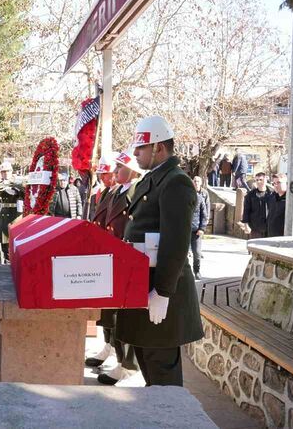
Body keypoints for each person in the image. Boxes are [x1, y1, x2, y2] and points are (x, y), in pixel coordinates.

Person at [116, 116, 204, 386]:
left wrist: (163, 292)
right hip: (145, 286)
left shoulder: (176, 182)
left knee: (163, 374)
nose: (135, 154)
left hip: (161, 290)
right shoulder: (152, 180)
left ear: (159, 148)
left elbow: (175, 243)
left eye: (141, 148)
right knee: (149, 368)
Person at [88, 150, 144, 386]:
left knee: (125, 315)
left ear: (132, 169)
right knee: (113, 314)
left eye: (120, 166)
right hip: (111, 258)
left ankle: (127, 364)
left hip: (125, 259)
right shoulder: (115, 191)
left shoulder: (136, 190)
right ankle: (116, 355)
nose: (114, 171)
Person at [0, 162, 24, 263]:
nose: (5, 174)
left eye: (7, 172)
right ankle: (7, 262)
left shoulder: (18, 182)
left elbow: (23, 192)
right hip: (4, 216)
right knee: (5, 246)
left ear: (11, 172)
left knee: (15, 244)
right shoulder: (0, 184)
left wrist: (13, 187)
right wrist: (2, 186)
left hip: (15, 216)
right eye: (3, 172)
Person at [240, 173, 271, 239]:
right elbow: (246, 210)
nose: (259, 182)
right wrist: (246, 225)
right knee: (254, 248)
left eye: (261, 179)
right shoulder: (251, 195)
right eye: (257, 180)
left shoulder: (272, 194)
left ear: (265, 180)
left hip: (269, 228)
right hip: (255, 228)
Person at [190, 176, 209, 280]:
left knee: (197, 253)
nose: (196, 183)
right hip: (184, 230)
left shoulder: (201, 198)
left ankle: (197, 271)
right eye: (194, 181)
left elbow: (204, 214)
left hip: (196, 230)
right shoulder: (184, 197)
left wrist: (202, 228)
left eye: (198, 181)